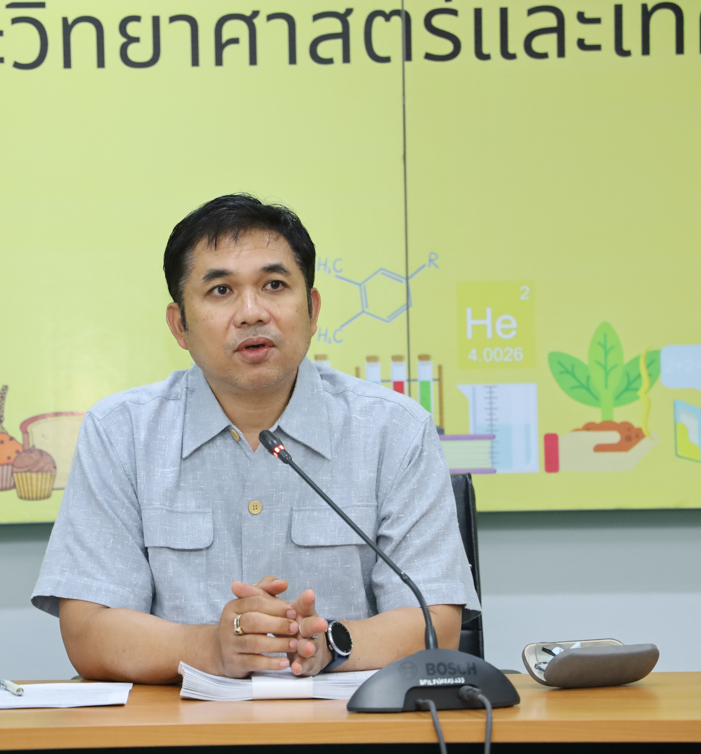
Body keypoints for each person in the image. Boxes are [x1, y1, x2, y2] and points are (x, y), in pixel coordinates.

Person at [32, 194, 477, 684]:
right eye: (221, 290)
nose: (251, 312)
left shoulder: (395, 429)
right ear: (180, 325)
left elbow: (436, 622)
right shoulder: (121, 433)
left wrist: (326, 644)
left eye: (274, 285)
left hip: (346, 723)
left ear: (312, 309)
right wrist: (211, 648)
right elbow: (88, 630)